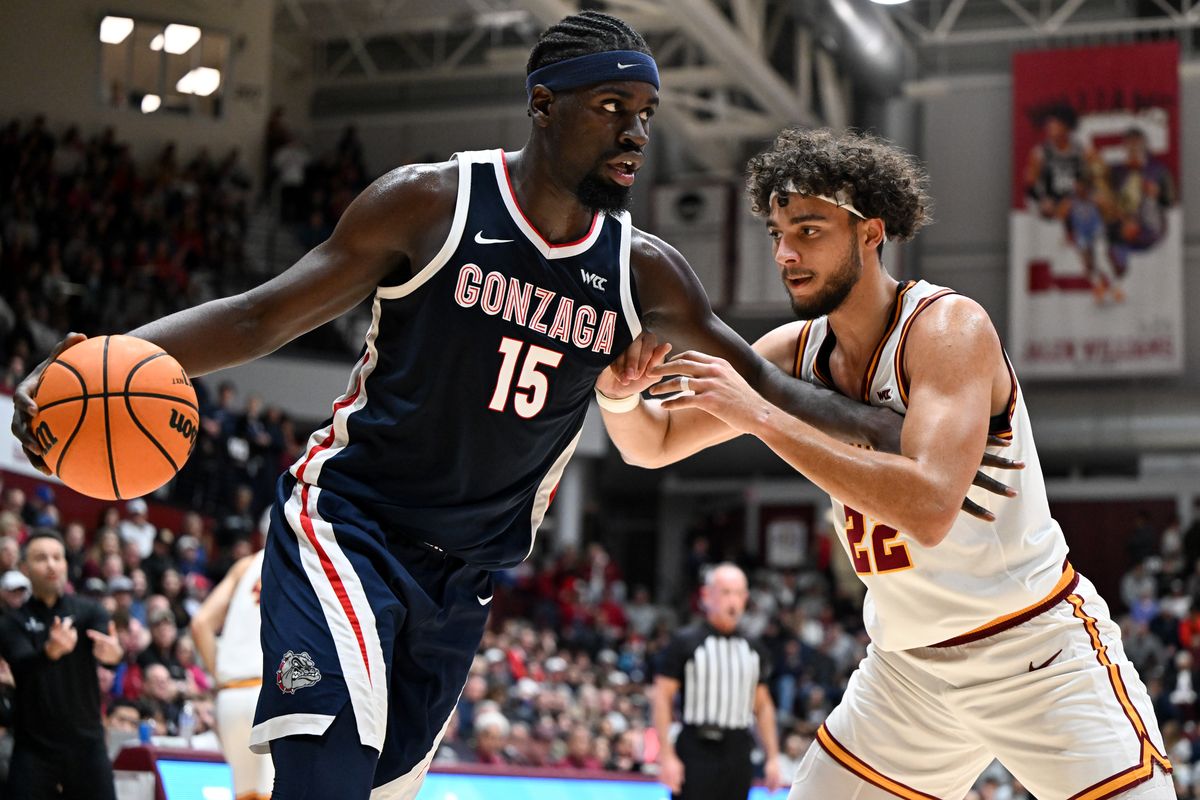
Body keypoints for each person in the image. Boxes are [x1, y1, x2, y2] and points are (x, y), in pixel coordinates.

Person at [9, 13, 1008, 800]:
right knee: (323, 771)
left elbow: (772, 385)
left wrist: (902, 431)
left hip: (471, 573)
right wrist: (115, 355)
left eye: (645, 115)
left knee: (383, 772)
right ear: (544, 106)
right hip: (350, 525)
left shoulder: (644, 273)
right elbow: (265, 313)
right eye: (612, 107)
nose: (635, 132)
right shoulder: (429, 205)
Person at [598, 128, 1173, 798]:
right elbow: (654, 443)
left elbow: (929, 507)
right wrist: (616, 394)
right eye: (779, 233)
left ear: (870, 233)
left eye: (809, 230)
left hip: (1035, 652)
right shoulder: (794, 350)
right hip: (908, 673)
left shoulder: (947, 330)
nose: (786, 253)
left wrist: (759, 416)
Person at [0, 530, 123, 800]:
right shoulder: (12, 621)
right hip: (34, 749)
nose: (51, 565)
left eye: (57, 557)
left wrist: (113, 655)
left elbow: (109, 649)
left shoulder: (90, 610)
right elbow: (20, 665)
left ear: (67, 564)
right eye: (41, 558)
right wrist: (50, 652)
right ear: (25, 568)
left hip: (87, 746)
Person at [654, 563, 780, 800]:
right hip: (695, 747)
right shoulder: (685, 642)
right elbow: (662, 697)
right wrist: (667, 756)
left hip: (738, 750)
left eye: (738, 593)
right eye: (725, 592)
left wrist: (772, 757)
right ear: (706, 595)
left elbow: (762, 705)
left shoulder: (755, 649)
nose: (732, 601)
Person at [190, 549, 272, 800]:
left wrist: (223, 676)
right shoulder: (307, 554)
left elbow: (200, 623)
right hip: (269, 689)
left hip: (231, 695)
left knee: (244, 795)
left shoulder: (245, 565)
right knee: (275, 792)